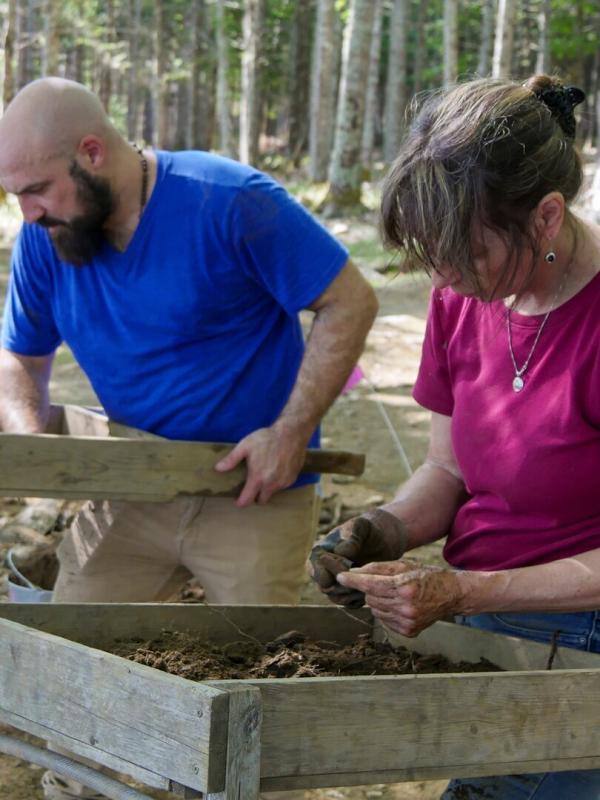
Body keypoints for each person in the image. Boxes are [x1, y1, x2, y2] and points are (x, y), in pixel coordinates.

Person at [0, 77, 378, 800]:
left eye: (38, 188)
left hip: (251, 492)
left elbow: (349, 301)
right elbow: (19, 354)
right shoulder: (49, 238)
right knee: (65, 663)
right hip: (129, 487)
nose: (29, 211)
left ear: (92, 151)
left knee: (260, 699)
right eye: (16, 195)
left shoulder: (227, 200)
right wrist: (30, 439)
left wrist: (290, 431)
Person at [310, 74, 600, 799]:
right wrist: (381, 529)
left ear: (546, 216)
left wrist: (465, 590)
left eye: (463, 250)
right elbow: (448, 470)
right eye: (428, 250)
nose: (441, 275)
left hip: (583, 640)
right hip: (485, 628)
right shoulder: (461, 298)